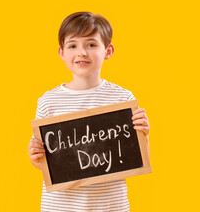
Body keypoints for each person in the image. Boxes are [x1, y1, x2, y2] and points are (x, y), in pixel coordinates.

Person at [28, 11, 150, 212]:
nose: (82, 52)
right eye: (73, 45)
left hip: (110, 206)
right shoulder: (48, 102)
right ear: (62, 53)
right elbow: (46, 166)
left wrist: (143, 135)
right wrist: (36, 157)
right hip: (61, 207)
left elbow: (134, 157)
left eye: (91, 44)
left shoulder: (122, 99)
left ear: (108, 51)